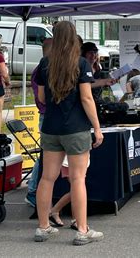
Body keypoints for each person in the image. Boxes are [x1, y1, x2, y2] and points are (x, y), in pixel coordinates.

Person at [35, 21, 104, 245]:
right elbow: (86, 98)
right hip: (75, 129)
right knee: (77, 179)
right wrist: (97, 127)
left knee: (47, 178)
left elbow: (43, 99)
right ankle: (82, 230)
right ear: (74, 38)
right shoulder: (81, 63)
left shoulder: (45, 63)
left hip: (51, 128)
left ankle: (43, 227)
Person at [25, 38, 53, 208]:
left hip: (48, 115)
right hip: (46, 115)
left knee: (47, 156)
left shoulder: (45, 68)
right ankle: (33, 190)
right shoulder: (41, 70)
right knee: (45, 155)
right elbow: (41, 98)